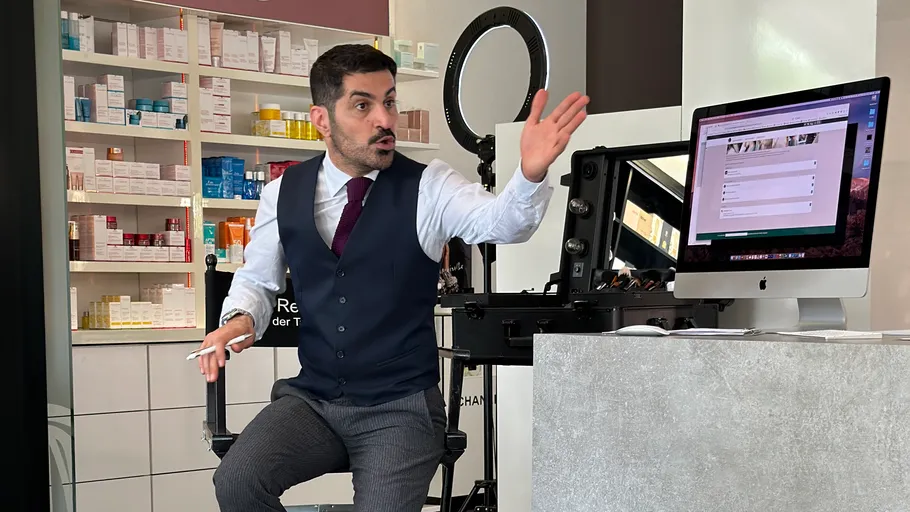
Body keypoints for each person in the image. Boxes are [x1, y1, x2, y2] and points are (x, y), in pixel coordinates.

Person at [198, 43, 589, 512]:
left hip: (399, 409)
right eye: (363, 105)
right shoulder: (283, 193)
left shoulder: (429, 186)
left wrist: (529, 173)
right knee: (237, 481)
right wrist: (238, 321)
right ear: (322, 120)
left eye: (389, 102)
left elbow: (501, 224)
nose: (384, 120)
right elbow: (257, 280)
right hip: (314, 401)